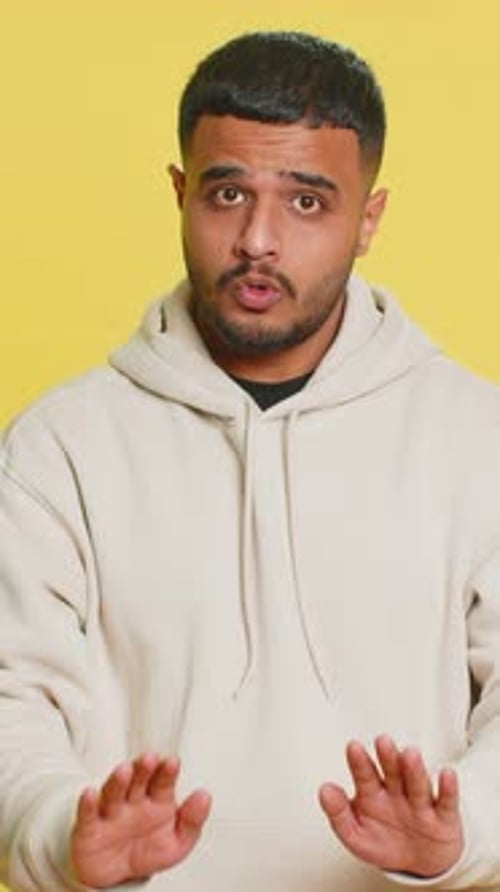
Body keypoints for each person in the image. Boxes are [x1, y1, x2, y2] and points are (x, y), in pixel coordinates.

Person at [0, 29, 499, 892]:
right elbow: (11, 702)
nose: (258, 239)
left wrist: (465, 836)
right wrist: (58, 831)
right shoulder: (60, 445)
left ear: (369, 218)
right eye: (226, 193)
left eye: (307, 201)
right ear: (180, 192)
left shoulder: (477, 434)